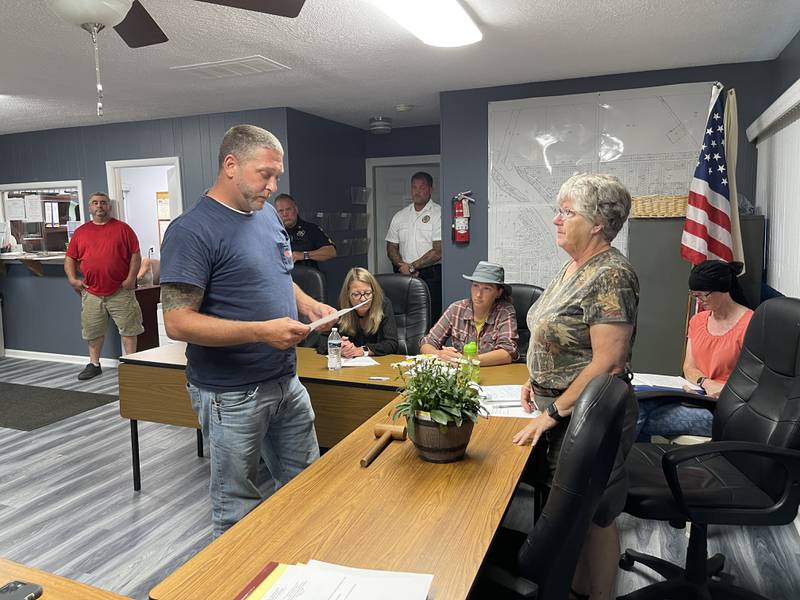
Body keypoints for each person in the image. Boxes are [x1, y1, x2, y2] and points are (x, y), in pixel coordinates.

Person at [159, 124, 337, 537]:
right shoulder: (191, 231)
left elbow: (279, 273)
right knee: (236, 506)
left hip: (284, 380)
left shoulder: (267, 217)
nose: (273, 187)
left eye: (277, 176)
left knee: (307, 484)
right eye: (265, 175)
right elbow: (177, 321)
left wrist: (307, 303)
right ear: (231, 165)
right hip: (230, 394)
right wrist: (260, 331)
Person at [512, 173, 639, 600]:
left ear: (599, 222)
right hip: (560, 409)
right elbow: (559, 335)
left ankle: (597, 595)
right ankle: (573, 587)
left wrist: (553, 411)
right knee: (569, 515)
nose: (556, 220)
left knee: (594, 514)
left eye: (567, 212)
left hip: (587, 417)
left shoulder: (611, 274)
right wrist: (535, 377)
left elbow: (609, 361)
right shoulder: (573, 267)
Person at [636, 260, 753, 441]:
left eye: (702, 295)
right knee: (634, 404)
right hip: (696, 397)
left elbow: (757, 382)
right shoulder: (698, 321)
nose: (699, 300)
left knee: (632, 416)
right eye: (694, 295)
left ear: (722, 289)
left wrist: (722, 389)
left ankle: (616, 467)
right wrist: (705, 383)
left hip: (726, 410)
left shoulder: (751, 324)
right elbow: (689, 368)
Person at [64, 192, 144, 380]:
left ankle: (131, 364)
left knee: (129, 329)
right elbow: (70, 258)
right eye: (95, 203)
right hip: (91, 292)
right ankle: (94, 364)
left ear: (109, 206)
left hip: (121, 291)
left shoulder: (123, 229)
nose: (99, 206)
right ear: (89, 207)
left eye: (103, 203)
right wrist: (72, 279)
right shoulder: (81, 232)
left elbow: (135, 254)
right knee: (93, 330)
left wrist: (131, 277)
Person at [419, 261, 518, 365]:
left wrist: (466, 360)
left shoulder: (505, 311)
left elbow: (507, 354)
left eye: (487, 288)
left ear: (499, 292)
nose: (479, 294)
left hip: (492, 373)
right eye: (475, 286)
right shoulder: (456, 309)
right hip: (461, 374)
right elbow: (427, 343)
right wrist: (438, 354)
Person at [386, 171, 443, 322]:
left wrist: (411, 267)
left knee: (430, 318)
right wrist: (401, 266)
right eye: (414, 187)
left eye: (422, 187)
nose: (417, 191)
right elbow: (391, 247)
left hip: (430, 275)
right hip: (402, 274)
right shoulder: (400, 216)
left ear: (430, 189)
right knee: (404, 316)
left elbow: (438, 251)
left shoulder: (439, 214)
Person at [317, 267, 398, 357]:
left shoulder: (383, 305)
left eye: (367, 293)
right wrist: (339, 346)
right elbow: (321, 341)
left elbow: (391, 344)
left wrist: (363, 350)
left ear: (374, 292)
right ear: (347, 294)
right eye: (356, 294)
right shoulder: (341, 307)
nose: (363, 299)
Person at [274, 193, 336, 269]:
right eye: (280, 211)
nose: (285, 214)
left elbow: (331, 252)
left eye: (288, 209)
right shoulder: (273, 233)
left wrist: (304, 255)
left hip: (307, 278)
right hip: (282, 278)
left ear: (296, 210)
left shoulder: (311, 229)